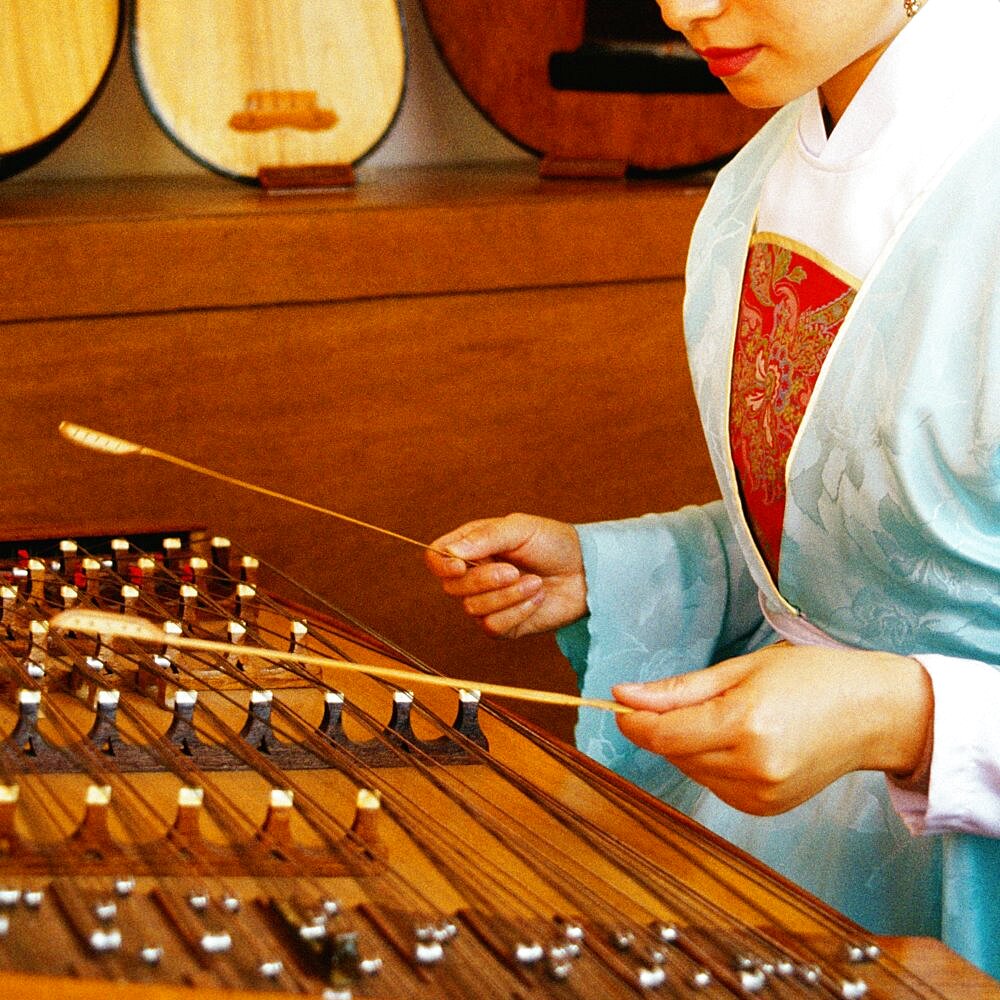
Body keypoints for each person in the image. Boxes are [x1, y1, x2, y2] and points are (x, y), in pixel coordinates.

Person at [425, 0, 1000, 979]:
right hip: (793, 856)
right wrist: (618, 564)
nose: (680, 7)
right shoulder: (757, 178)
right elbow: (857, 554)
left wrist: (904, 716)